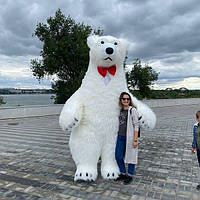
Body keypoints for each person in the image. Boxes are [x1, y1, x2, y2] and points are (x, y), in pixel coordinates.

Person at [115, 92, 139, 184]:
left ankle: (130, 175)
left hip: (130, 137)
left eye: (128, 99)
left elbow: (136, 126)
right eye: (124, 99)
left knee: (131, 156)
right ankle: (123, 173)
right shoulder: (120, 110)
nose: (126, 100)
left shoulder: (132, 110)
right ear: (121, 100)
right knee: (118, 156)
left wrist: (135, 140)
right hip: (120, 137)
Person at [191, 111, 200, 190]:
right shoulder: (195, 126)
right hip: (199, 150)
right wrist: (193, 147)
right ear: (197, 119)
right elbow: (194, 138)